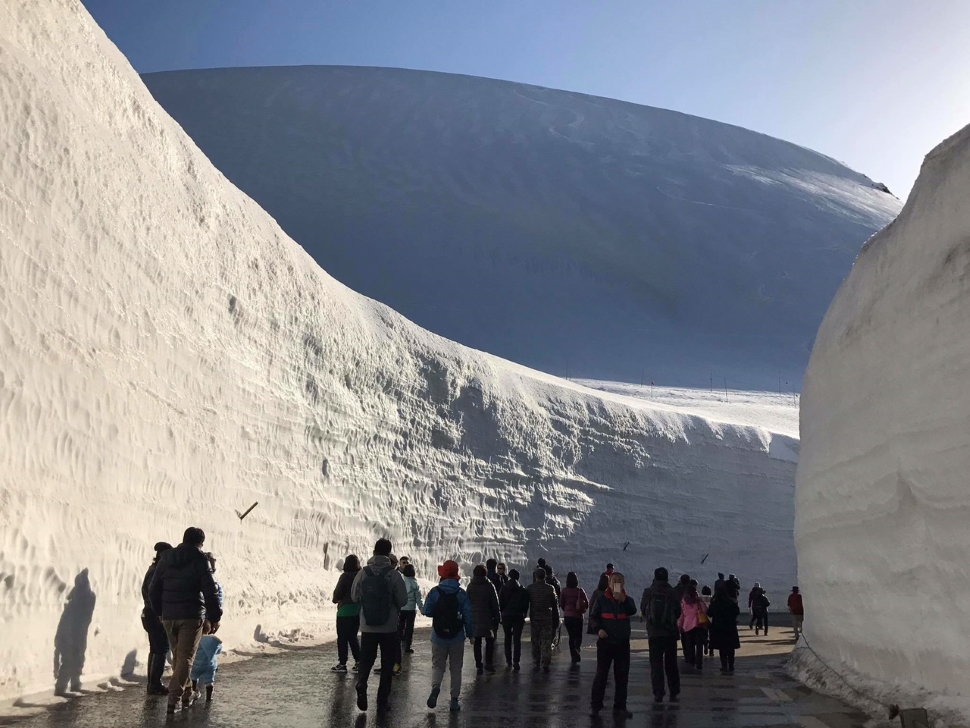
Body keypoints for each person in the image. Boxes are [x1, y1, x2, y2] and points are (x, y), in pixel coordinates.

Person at [148, 527, 223, 714]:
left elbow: (153, 588)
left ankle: (188, 691)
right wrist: (214, 617)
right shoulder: (200, 559)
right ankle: (174, 699)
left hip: (169, 616)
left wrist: (160, 611)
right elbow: (210, 590)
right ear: (200, 543)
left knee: (178, 657)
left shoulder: (166, 558)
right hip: (191, 616)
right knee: (186, 659)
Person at [351, 538, 408, 713]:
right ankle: (382, 701)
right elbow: (403, 600)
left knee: (366, 659)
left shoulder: (363, 572)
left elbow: (354, 596)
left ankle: (362, 683)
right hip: (389, 627)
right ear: (389, 553)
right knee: (387, 662)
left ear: (374, 552)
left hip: (368, 625)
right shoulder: (393, 574)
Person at [423, 560, 474, 713]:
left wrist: (439, 614)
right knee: (456, 668)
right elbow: (468, 616)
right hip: (457, 637)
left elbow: (427, 610)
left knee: (438, 666)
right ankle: (454, 700)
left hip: (438, 636)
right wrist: (471, 634)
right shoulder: (461, 593)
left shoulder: (435, 592)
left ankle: (436, 688)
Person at [589, 571, 637, 718]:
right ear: (609, 584)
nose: (616, 582)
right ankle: (596, 706)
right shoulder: (602, 600)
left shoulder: (627, 599)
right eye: (614, 580)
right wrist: (599, 629)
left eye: (619, 580)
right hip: (606, 643)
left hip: (622, 643)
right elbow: (593, 617)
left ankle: (620, 707)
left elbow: (633, 610)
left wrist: (623, 599)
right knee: (601, 675)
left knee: (622, 676)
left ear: (623, 583)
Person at [641, 567, 681, 703]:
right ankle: (674, 690)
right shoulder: (673, 592)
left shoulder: (648, 591)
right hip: (670, 633)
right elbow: (678, 612)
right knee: (671, 663)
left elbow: (643, 609)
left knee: (656, 663)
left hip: (654, 633)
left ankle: (658, 692)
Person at [141, 541, 172, 695]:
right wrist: (160, 613)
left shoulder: (152, 569)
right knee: (161, 649)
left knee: (155, 648)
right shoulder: (157, 572)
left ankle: (152, 683)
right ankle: (154, 683)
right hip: (155, 615)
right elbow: (155, 594)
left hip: (149, 613)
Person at [466, 564, 500, 674]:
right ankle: (489, 663)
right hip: (487, 617)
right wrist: (497, 617)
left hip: (474, 617)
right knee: (490, 641)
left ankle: (478, 664)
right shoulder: (489, 585)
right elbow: (495, 603)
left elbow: (467, 603)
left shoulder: (470, 586)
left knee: (477, 642)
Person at [331, 554, 362, 672]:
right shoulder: (360, 576)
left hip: (344, 611)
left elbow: (338, 592)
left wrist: (335, 600)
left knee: (342, 638)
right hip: (357, 610)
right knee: (353, 637)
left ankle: (342, 663)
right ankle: (359, 661)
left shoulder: (344, 577)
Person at [527, 568, 559, 672]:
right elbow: (555, 604)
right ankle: (546, 661)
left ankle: (536, 659)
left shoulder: (531, 588)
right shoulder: (550, 588)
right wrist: (556, 618)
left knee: (535, 640)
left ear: (536, 576)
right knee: (546, 640)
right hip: (547, 617)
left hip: (535, 617)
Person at [499, 568, 530, 670]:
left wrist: (503, 612)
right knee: (517, 639)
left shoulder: (504, 588)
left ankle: (508, 660)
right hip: (518, 616)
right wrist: (523, 614)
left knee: (507, 637)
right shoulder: (522, 590)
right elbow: (526, 605)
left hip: (506, 616)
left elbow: (501, 603)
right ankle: (516, 661)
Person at [708, 586, 741, 673]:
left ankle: (724, 666)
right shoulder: (731, 602)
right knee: (730, 647)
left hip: (719, 627)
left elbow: (709, 613)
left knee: (722, 648)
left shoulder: (715, 603)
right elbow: (737, 611)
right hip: (730, 626)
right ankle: (731, 665)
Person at [559, 572, 589, 663]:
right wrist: (583, 609)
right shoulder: (580, 590)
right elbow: (587, 603)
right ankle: (577, 649)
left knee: (571, 635)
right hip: (578, 616)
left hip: (568, 616)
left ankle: (573, 654)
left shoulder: (564, 591)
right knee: (578, 635)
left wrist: (566, 610)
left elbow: (561, 603)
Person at [677, 582, 708, 670]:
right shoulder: (698, 600)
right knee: (699, 645)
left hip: (687, 625)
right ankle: (699, 663)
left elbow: (681, 614)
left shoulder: (684, 601)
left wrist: (679, 625)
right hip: (699, 625)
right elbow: (705, 610)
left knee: (689, 645)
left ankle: (691, 660)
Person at [190, 633, 223, 702]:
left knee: (194, 677)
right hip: (209, 665)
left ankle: (193, 693)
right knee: (209, 681)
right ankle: (209, 697)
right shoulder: (213, 640)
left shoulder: (194, 638)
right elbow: (218, 651)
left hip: (196, 664)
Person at [399, 564, 423, 655]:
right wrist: (421, 608)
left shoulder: (401, 580)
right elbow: (418, 597)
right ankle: (407, 646)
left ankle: (399, 642)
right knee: (409, 628)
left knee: (400, 626)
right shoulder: (414, 583)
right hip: (411, 609)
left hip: (401, 608)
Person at [673, 574, 692, 661]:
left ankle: (686, 653)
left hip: (679, 614)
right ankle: (690, 653)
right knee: (689, 634)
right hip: (690, 615)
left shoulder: (675, 589)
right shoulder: (691, 589)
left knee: (683, 635)